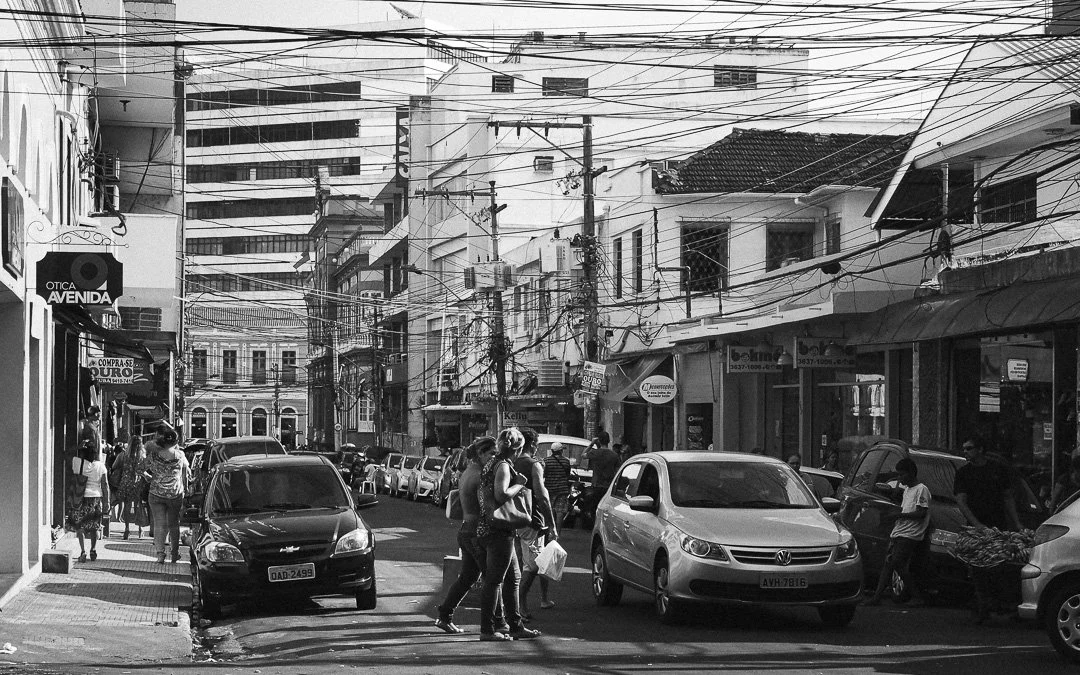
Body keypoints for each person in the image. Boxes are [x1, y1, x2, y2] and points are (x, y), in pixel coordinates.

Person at [475, 428, 540, 642]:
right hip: (498, 530)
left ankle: (516, 625)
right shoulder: (502, 466)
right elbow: (501, 494)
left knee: (513, 577)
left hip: (492, 528)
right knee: (494, 581)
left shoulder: (492, 463)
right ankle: (487, 629)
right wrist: (519, 485)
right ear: (518, 449)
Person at [434, 436, 499, 634]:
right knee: (492, 580)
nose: (494, 458)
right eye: (492, 453)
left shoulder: (468, 471)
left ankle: (445, 615)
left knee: (468, 577)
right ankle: (494, 625)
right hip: (476, 532)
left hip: (466, 530)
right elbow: (488, 504)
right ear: (481, 453)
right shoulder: (479, 475)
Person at [954, 438, 1022, 622]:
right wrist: (977, 525)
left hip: (997, 526)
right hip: (976, 530)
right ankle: (983, 605)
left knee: (1000, 564)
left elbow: (1007, 497)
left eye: (969, 448)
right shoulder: (963, 473)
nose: (965, 452)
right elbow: (961, 500)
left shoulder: (997, 470)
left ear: (980, 450)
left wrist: (1017, 523)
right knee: (978, 567)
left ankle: (1003, 604)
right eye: (964, 449)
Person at [864, 458, 931, 606]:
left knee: (897, 561)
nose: (900, 479)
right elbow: (906, 508)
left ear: (911, 473)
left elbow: (921, 513)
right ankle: (877, 597)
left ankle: (916, 595)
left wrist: (899, 515)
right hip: (900, 531)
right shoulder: (907, 490)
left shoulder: (922, 490)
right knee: (889, 563)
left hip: (911, 533)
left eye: (902, 475)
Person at [516, 428, 557, 618]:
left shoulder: (509, 463)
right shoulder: (534, 465)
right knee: (532, 566)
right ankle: (519, 606)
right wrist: (552, 524)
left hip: (510, 520)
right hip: (532, 520)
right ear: (532, 444)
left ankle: (538, 600)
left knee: (529, 563)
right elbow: (542, 497)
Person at [145, 423, 191, 564]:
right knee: (174, 524)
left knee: (159, 524)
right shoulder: (180, 455)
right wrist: (186, 488)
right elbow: (185, 475)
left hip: (156, 493)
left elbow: (141, 467)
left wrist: (149, 477)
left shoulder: (154, 455)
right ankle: (175, 554)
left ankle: (160, 555)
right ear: (175, 441)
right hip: (175, 493)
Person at [68, 443, 110, 563]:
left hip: (80, 497)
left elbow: (66, 453)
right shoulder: (101, 466)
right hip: (96, 498)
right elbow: (105, 485)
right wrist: (106, 502)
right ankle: (93, 549)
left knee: (80, 526)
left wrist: (77, 446)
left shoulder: (77, 462)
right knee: (94, 526)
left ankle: (82, 551)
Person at [114, 435, 149, 540]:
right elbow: (145, 470)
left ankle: (127, 529)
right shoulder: (142, 456)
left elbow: (114, 466)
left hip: (126, 483)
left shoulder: (123, 455)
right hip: (138, 483)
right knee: (138, 506)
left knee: (127, 507)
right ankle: (140, 529)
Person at [543, 442, 572, 531]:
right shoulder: (566, 461)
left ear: (552, 451)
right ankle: (557, 532)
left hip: (549, 489)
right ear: (561, 451)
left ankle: (549, 531)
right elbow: (568, 475)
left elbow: (544, 474)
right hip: (562, 489)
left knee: (549, 510)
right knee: (560, 511)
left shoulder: (546, 461)